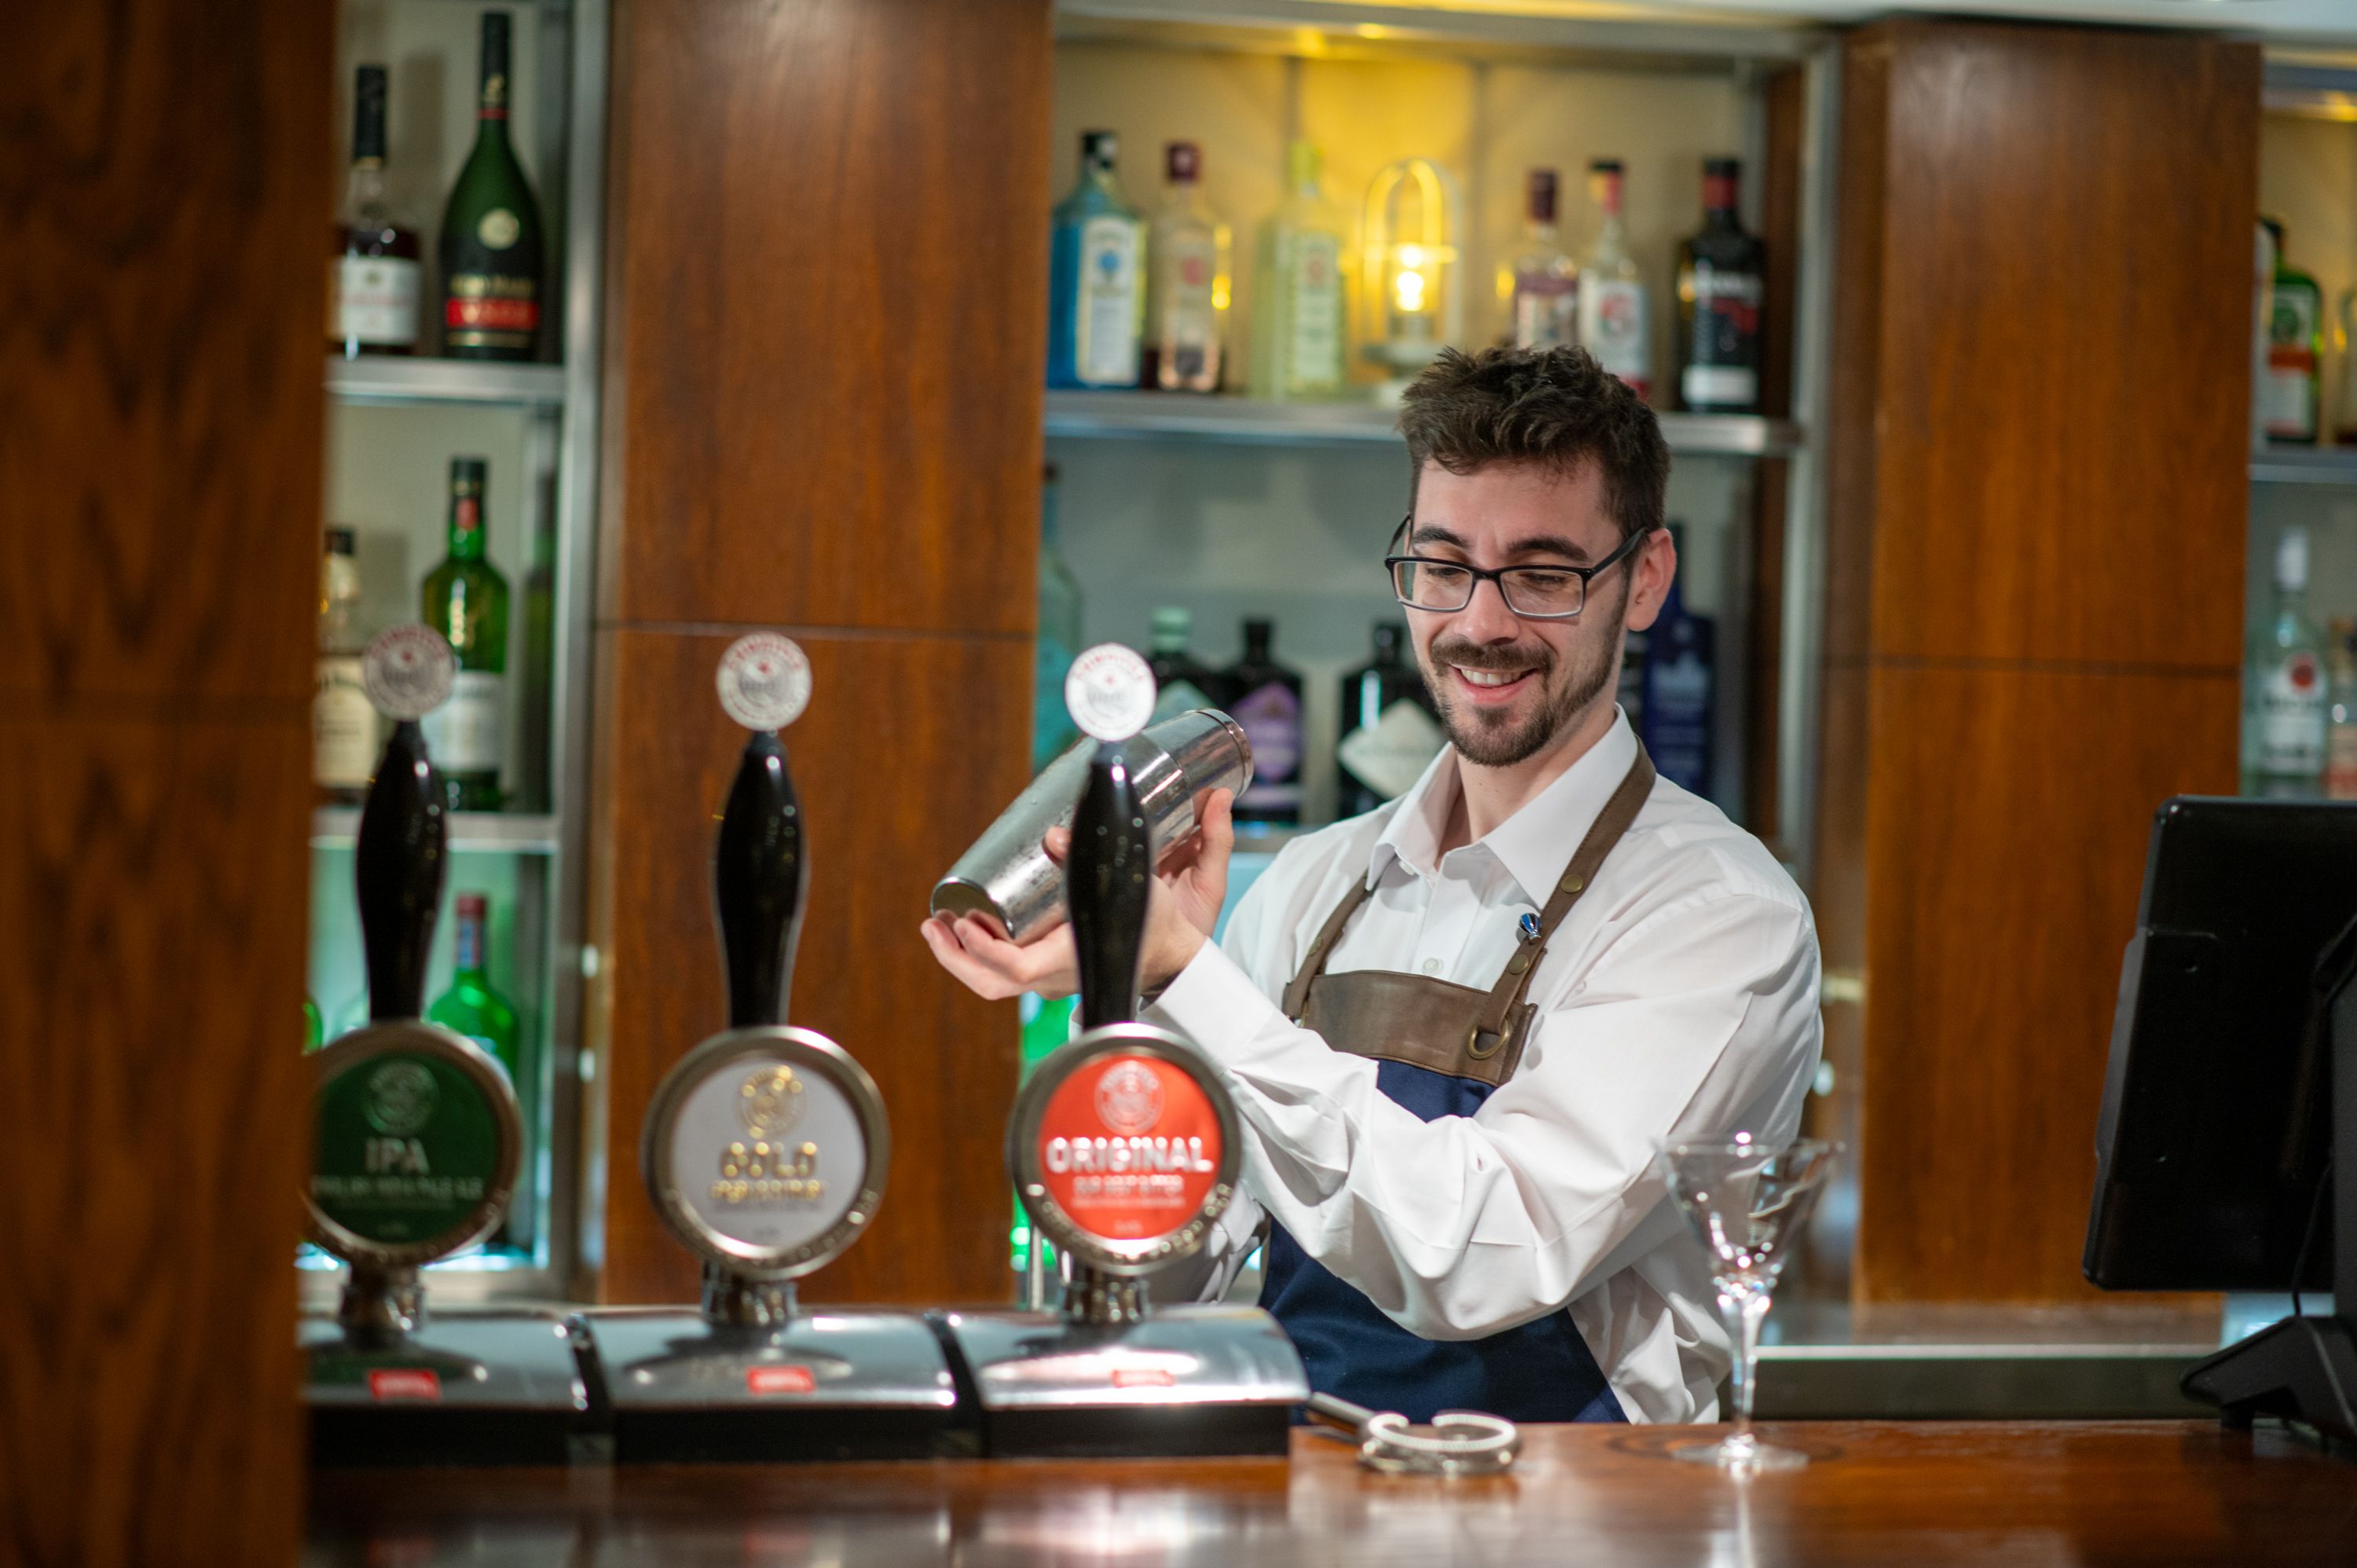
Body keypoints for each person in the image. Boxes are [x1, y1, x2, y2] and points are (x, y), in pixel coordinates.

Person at [921, 344, 1821, 1424]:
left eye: (1540, 575)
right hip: (1301, 1507)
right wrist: (1125, 1000)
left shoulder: (1716, 916)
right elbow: (1170, 1269)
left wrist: (1185, 971)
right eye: (1443, 566)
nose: (1480, 625)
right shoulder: (1311, 884)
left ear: (1646, 581)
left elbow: (1489, 1255)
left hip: (1567, 1527)